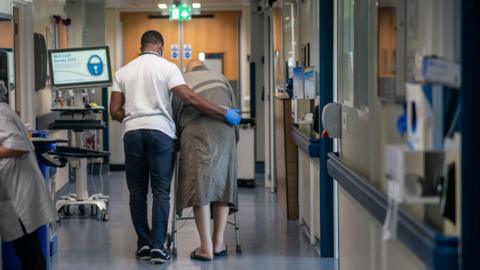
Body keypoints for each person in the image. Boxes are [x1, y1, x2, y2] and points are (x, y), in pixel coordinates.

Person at [109, 30, 241, 264]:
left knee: (137, 192)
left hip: (132, 134)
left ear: (140, 47)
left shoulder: (122, 72)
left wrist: (131, 116)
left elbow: (114, 111)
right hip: (161, 133)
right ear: (160, 47)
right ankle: (158, 247)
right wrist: (223, 112)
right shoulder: (168, 68)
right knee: (161, 192)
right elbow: (189, 98)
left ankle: (143, 245)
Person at [172, 59, 239, 261]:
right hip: (225, 132)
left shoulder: (182, 79)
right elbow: (233, 110)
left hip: (195, 132)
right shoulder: (221, 78)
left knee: (198, 184)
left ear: (187, 69)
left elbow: (174, 114)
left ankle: (205, 247)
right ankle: (219, 243)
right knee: (223, 184)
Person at [0, 81, 57, 270]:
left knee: (28, 250)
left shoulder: (0, 113)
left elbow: (17, 145)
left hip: (18, 194)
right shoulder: (4, 110)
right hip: (17, 190)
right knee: (29, 249)